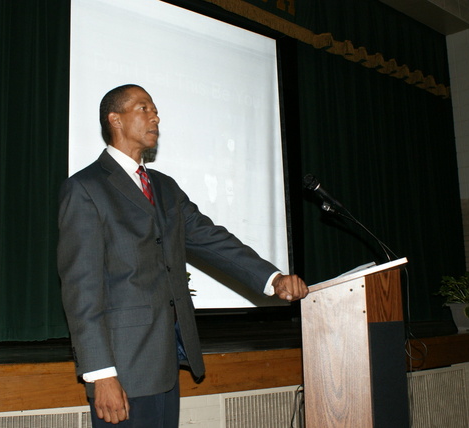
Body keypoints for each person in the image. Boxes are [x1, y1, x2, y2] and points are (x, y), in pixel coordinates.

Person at [57, 84, 308, 427]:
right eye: (144, 108)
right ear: (114, 119)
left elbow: (212, 239)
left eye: (155, 109)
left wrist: (273, 279)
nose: (155, 116)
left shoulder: (164, 187)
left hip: (164, 361)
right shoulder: (86, 188)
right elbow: (81, 291)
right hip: (121, 368)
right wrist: (101, 375)